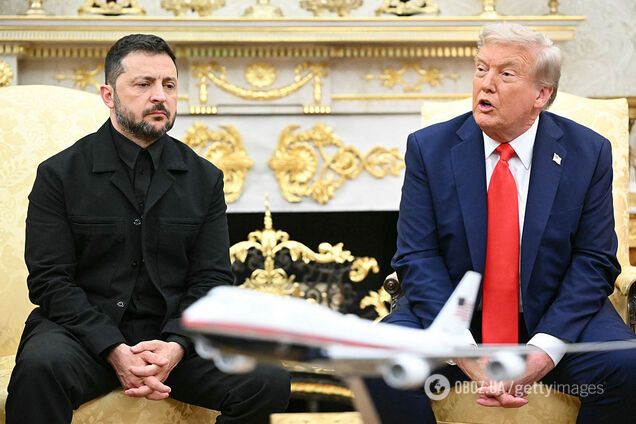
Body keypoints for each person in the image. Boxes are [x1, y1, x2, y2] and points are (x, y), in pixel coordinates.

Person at [6, 34, 290, 424]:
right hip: (82, 336)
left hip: (173, 339)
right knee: (40, 368)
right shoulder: (59, 174)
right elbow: (49, 280)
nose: (160, 96)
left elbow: (211, 280)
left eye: (169, 85)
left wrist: (176, 345)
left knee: (267, 380)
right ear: (108, 95)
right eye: (143, 84)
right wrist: (112, 347)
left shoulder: (204, 178)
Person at [366, 23, 636, 423]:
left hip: (553, 315)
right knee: (381, 364)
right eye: (481, 69)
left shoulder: (587, 152)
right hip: (454, 316)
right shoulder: (429, 148)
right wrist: (463, 348)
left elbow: (594, 259)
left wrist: (544, 351)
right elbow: (416, 255)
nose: (486, 84)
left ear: (541, 94)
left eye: (506, 74)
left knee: (628, 366)